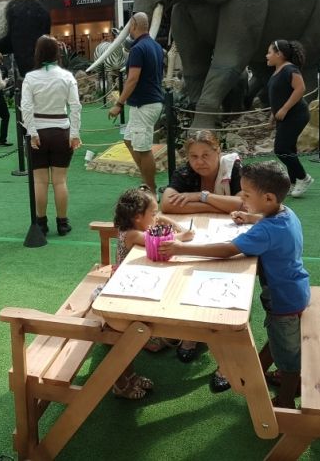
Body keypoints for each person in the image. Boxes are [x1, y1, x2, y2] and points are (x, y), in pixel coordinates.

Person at [159, 161, 310, 408]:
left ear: (269, 198)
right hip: (293, 289)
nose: (243, 199)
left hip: (284, 300)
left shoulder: (267, 230)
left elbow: (228, 249)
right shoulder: (285, 213)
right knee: (280, 339)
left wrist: (181, 248)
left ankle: (285, 400)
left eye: (247, 195)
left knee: (289, 356)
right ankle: (262, 372)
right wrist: (251, 216)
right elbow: (263, 223)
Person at [160, 129, 243, 384]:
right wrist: (219, 203)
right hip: (195, 234)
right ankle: (192, 331)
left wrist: (200, 196)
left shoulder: (234, 168)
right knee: (189, 272)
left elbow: (243, 204)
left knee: (222, 279)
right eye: (194, 156)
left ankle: (224, 340)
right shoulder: (185, 172)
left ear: (218, 152)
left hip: (231, 236)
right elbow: (167, 205)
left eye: (206, 155)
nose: (200, 162)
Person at [112, 186, 193, 355]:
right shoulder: (132, 234)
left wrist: (170, 222)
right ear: (137, 217)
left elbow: (162, 221)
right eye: (153, 213)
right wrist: (183, 235)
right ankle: (152, 340)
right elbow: (160, 240)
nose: (156, 217)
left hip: (137, 275)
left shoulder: (137, 224)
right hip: (127, 285)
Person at [21, 35, 82, 236]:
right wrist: (74, 134)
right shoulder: (67, 76)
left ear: (37, 53)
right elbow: (75, 107)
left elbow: (27, 108)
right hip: (61, 131)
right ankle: (62, 223)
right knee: (60, 181)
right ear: (57, 52)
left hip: (38, 131)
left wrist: (32, 132)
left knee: (40, 181)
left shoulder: (30, 78)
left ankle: (41, 223)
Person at [107, 12, 164, 193]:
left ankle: (151, 190)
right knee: (129, 140)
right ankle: (145, 180)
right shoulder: (155, 46)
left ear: (133, 25)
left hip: (144, 105)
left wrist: (119, 103)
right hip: (148, 102)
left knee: (144, 148)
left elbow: (132, 79)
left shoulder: (138, 49)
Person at [266, 40, 314, 198]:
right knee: (288, 149)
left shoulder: (290, 69)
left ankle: (303, 177)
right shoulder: (277, 70)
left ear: (279, 54)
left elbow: (300, 89)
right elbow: (279, 95)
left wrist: (285, 109)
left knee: (281, 149)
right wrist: (274, 114)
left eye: (270, 52)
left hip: (296, 115)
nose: (267, 56)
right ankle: (293, 181)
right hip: (284, 117)